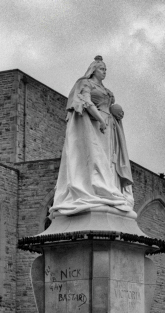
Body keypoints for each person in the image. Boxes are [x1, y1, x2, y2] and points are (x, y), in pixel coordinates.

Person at [49, 55, 135, 219]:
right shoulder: (84, 83)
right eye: (101, 69)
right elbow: (86, 103)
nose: (104, 72)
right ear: (93, 70)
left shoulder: (106, 90)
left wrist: (115, 111)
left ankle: (108, 188)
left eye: (105, 70)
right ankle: (95, 189)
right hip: (93, 125)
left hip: (109, 127)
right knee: (96, 157)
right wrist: (101, 119)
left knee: (109, 160)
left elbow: (109, 106)